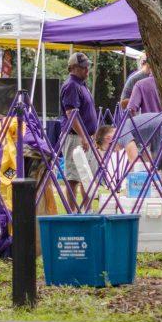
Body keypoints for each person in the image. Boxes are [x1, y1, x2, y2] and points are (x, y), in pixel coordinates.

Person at [60, 51, 100, 210]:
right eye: (84, 68)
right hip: (75, 137)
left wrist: (91, 134)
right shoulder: (71, 85)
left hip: (85, 137)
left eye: (87, 67)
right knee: (73, 178)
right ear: (74, 68)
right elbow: (71, 114)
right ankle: (72, 212)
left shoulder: (81, 85)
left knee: (88, 176)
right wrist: (83, 136)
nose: (87, 70)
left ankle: (87, 211)